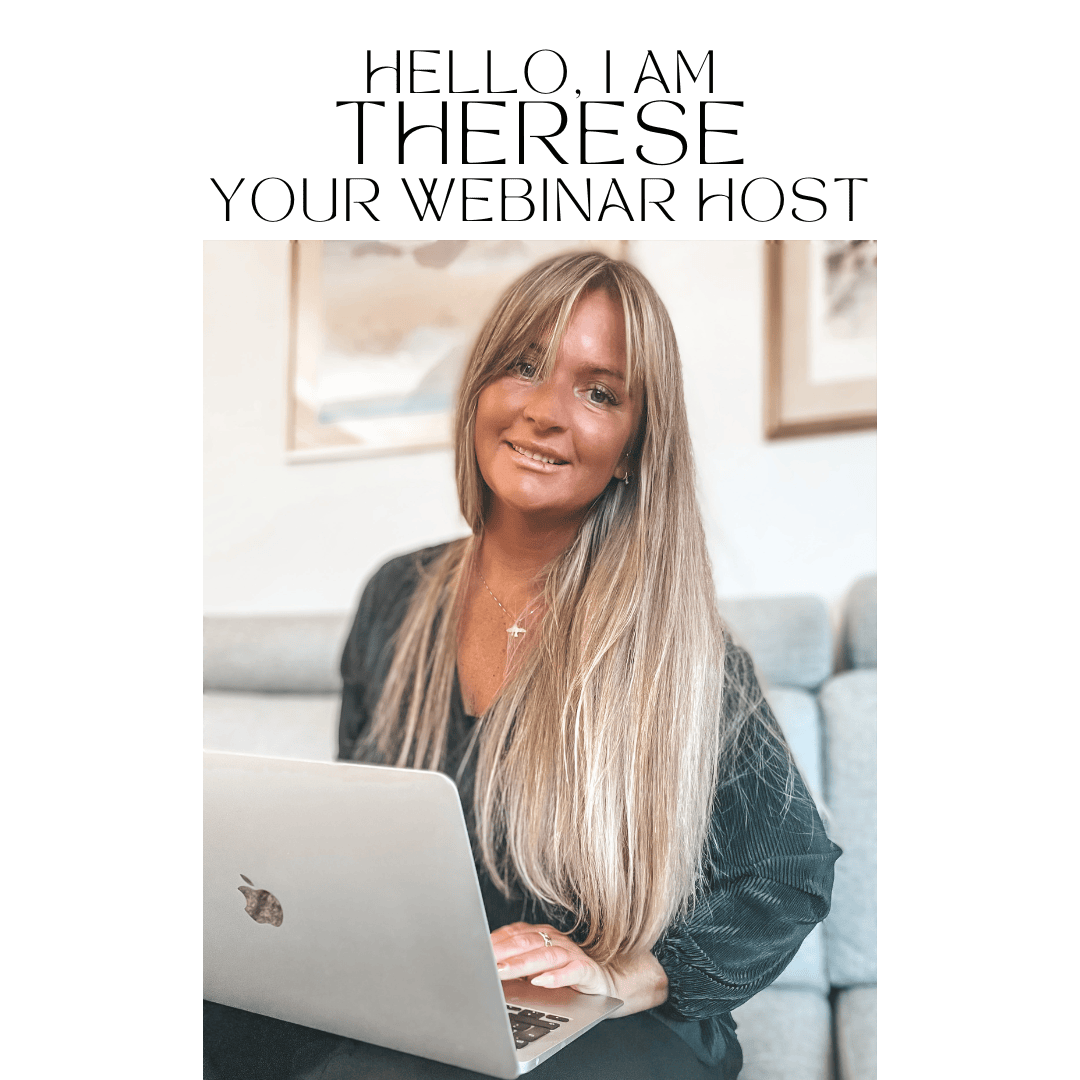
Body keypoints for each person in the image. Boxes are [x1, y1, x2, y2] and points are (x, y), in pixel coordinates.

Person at [326, 253, 841, 1079]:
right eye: (523, 366)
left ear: (634, 447)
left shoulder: (682, 652)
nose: (543, 412)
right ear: (479, 389)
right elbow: (352, 829)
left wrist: (622, 977)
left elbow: (787, 875)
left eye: (598, 393)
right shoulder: (398, 594)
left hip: (606, 1026)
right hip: (433, 994)